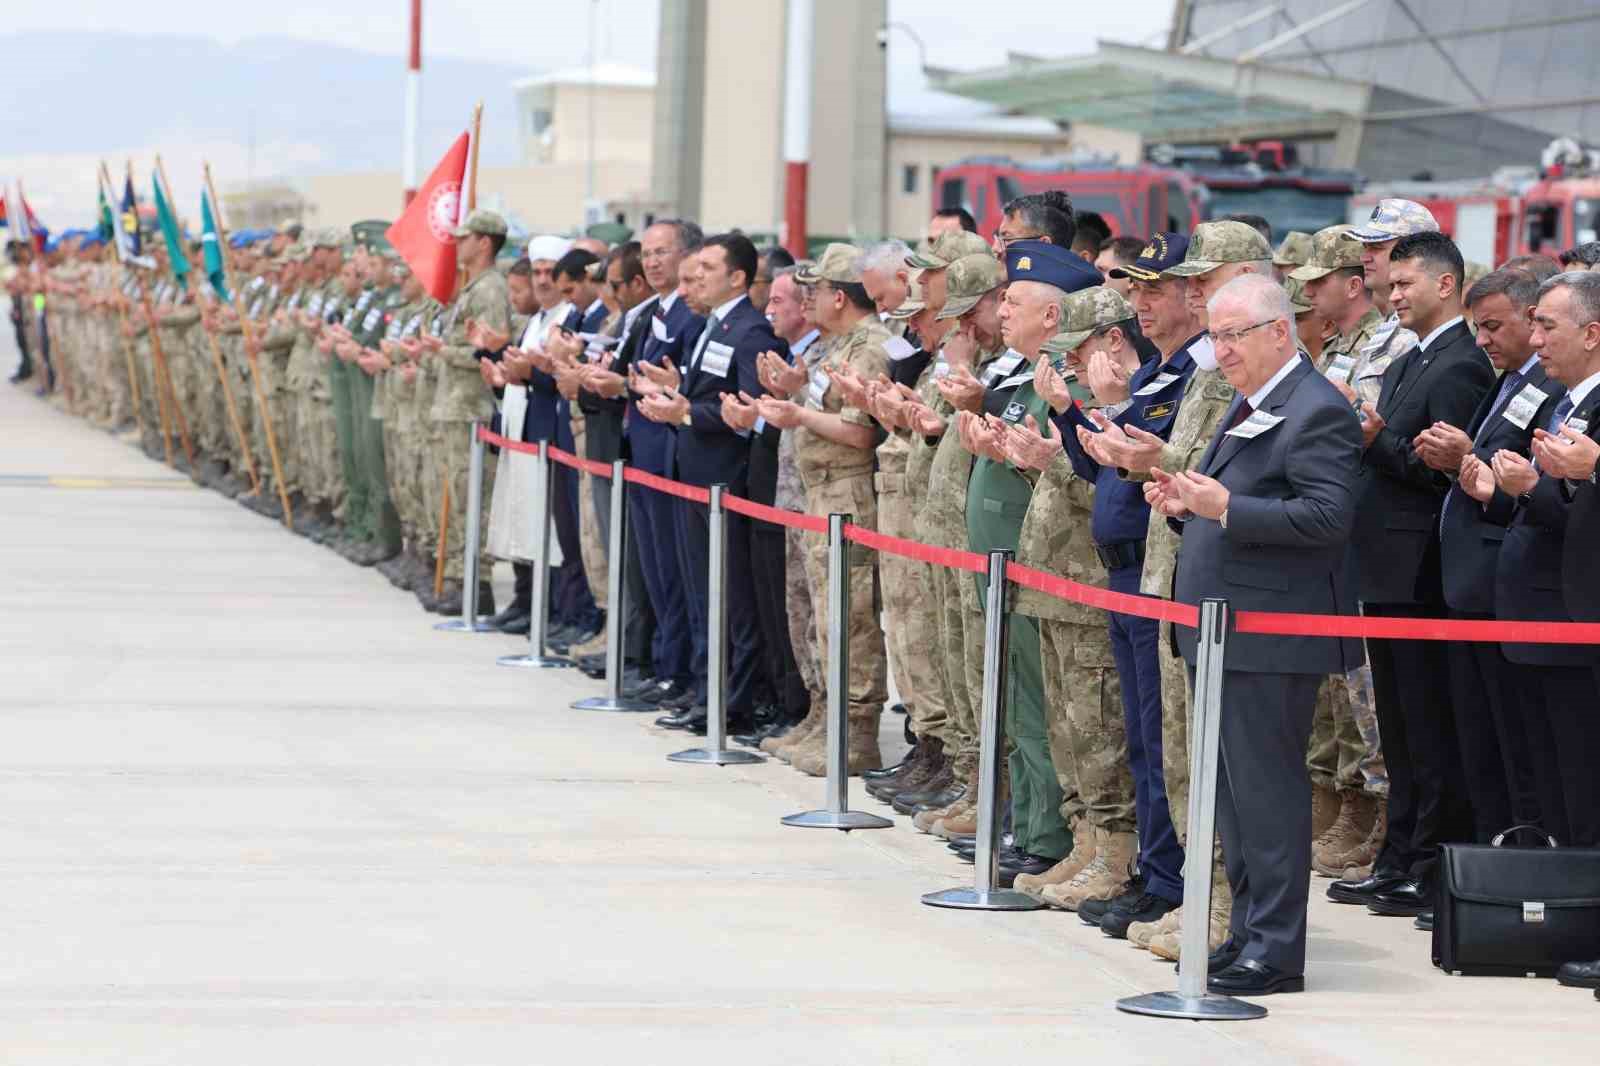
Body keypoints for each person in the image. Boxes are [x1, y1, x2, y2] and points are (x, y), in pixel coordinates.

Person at [1149, 272, 1363, 996]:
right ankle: (1246, 932)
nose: (1221, 350)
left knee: (1266, 796)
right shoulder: (1253, 404)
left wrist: (1228, 507)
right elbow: (1233, 504)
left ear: (1279, 331)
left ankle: (1275, 949)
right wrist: (1187, 503)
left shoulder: (1315, 408)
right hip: (1223, 634)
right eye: (1214, 336)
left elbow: (1328, 519)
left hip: (1269, 636)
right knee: (1235, 800)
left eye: (1232, 335)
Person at [1329, 231, 1493, 921]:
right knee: (1395, 728)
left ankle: (1427, 862)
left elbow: (1437, 470)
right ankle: (1397, 854)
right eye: (1388, 286)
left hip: (1422, 566)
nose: (1391, 296)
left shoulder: (1459, 363)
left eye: (1405, 285)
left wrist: (1376, 441)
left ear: (1446, 285)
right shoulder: (1408, 361)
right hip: (1386, 563)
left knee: (1426, 727)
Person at [958, 239, 1101, 883]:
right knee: (1017, 701)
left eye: (1015, 301)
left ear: (1053, 316)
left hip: (1040, 565)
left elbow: (1069, 468)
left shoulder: (1067, 384)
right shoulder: (1017, 378)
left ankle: (1049, 834)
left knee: (1043, 706)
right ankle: (1030, 822)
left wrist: (1020, 456)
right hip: (1003, 563)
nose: (1002, 310)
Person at [1463, 271, 1600, 853]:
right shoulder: (1560, 402)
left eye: (1547, 325)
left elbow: (1581, 515)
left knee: (1581, 786)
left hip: (1573, 622)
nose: (1534, 338)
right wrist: (1500, 492)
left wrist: (1530, 489)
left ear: (1592, 333)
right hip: (1533, 619)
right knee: (1548, 786)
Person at [1425, 267, 1560, 844]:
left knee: (1516, 746)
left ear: (1533, 322)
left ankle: (1513, 862)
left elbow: (1520, 482)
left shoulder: (1550, 389)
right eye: (1477, 329)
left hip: (1505, 587)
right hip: (1469, 585)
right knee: (1480, 738)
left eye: (1494, 327)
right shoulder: (1505, 381)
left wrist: (1467, 456)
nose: (1483, 342)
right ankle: (1483, 864)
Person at [754, 243, 892, 774]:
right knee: (822, 616)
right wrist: (795, 395)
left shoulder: (869, 347)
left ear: (840, 296)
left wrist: (798, 415)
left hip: (847, 491)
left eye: (814, 291)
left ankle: (855, 733)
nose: (807, 299)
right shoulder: (838, 347)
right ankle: (825, 715)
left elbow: (859, 432)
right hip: (820, 489)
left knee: (850, 615)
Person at [636, 232, 777, 733]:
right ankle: (705, 687)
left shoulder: (750, 331)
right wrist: (677, 391)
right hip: (694, 475)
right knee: (702, 591)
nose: (696, 278)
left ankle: (732, 701)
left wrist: (688, 412)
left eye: (709, 269)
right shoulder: (711, 326)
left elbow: (750, 409)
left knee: (731, 596)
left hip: (726, 477)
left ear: (737, 277)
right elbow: (710, 391)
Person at [619, 219, 704, 709]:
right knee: (655, 570)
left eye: (662, 252)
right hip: (645, 453)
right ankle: (666, 665)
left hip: (671, 457)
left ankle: (679, 671)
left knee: (676, 572)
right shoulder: (653, 311)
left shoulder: (690, 317)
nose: (651, 263)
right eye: (646, 254)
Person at [426, 209, 510, 616]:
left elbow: (488, 350)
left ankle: (478, 583)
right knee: (458, 496)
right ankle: (461, 575)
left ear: (484, 242)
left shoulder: (490, 289)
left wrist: (440, 351)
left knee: (472, 496)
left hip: (471, 404)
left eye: (465, 238)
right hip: (455, 403)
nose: (457, 245)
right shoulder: (472, 287)